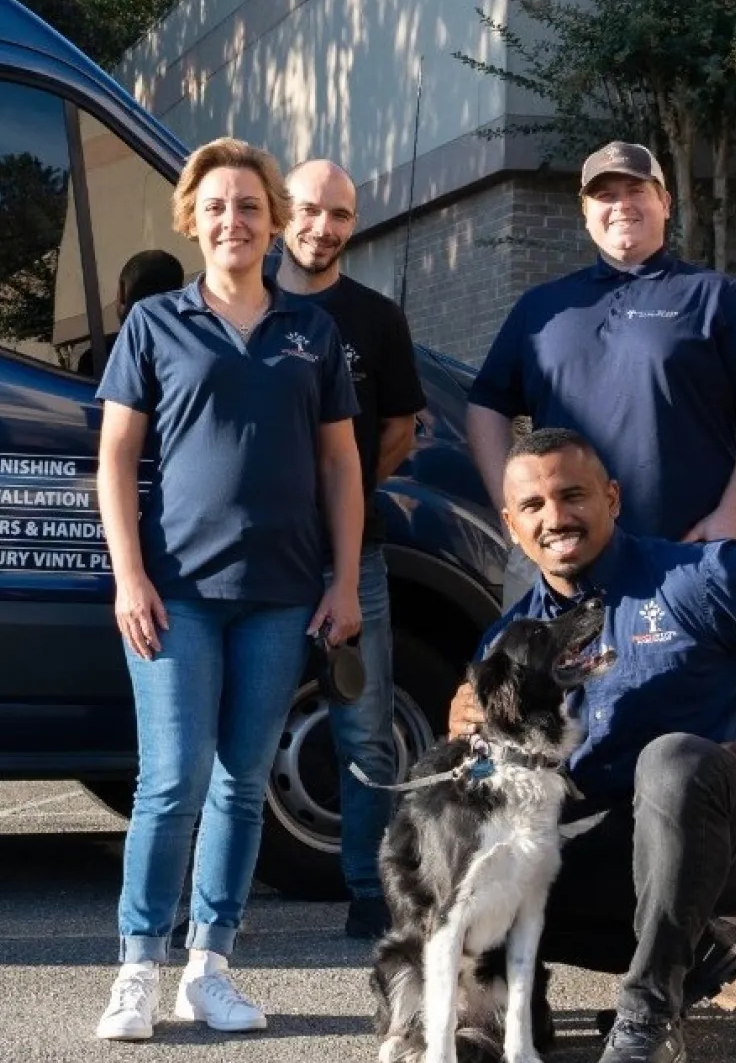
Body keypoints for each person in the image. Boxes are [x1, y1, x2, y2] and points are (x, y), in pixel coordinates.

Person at [446, 428, 736, 1063]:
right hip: (616, 851)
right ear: (512, 526)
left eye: (573, 495)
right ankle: (516, 1006)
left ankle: (649, 1014)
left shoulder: (698, 576)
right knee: (461, 835)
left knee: (670, 759)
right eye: (533, 507)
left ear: (612, 499)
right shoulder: (510, 641)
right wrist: (465, 726)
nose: (556, 518)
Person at [92, 138, 365, 1040]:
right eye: (216, 206)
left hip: (283, 593)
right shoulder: (154, 324)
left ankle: (209, 966)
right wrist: (129, 577)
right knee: (171, 780)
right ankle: (138, 966)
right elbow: (116, 459)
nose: (233, 220)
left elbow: (341, 466)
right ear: (192, 218)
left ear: (272, 220)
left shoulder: (311, 334)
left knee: (244, 783)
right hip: (175, 592)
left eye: (250, 205)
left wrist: (347, 581)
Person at [465, 141, 736, 608]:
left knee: (688, 683)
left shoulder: (712, 296)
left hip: (683, 557)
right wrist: (518, 518)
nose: (621, 205)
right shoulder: (542, 309)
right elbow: (486, 405)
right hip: (562, 562)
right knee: (554, 683)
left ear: (664, 203)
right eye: (604, 196)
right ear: (585, 212)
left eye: (636, 190)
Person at [273, 158, 428, 940]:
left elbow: (400, 429)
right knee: (240, 725)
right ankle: (210, 904)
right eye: (307, 210)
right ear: (280, 213)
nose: (322, 227)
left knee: (365, 726)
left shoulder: (376, 318)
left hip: (351, 559)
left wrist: (348, 497)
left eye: (338, 215)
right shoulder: (248, 304)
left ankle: (372, 889)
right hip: (257, 560)